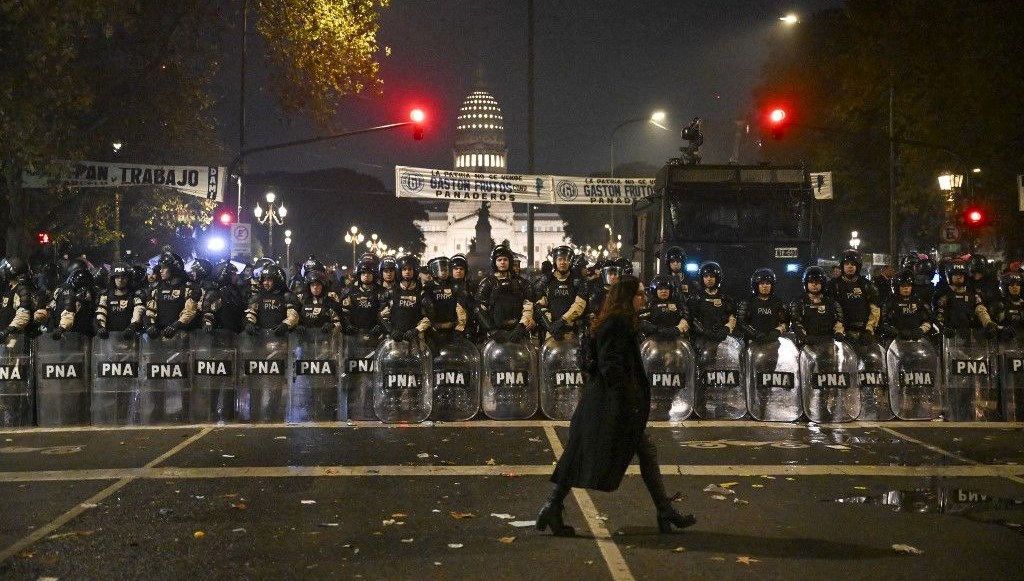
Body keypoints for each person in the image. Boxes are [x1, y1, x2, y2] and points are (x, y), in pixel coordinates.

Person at [538, 275, 696, 536]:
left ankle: (664, 509)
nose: (644, 299)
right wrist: (626, 400)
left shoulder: (622, 322)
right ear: (627, 297)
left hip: (609, 401)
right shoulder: (616, 323)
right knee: (581, 453)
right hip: (609, 403)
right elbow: (610, 365)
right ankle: (552, 506)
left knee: (640, 450)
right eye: (640, 294)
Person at [828, 249, 880, 345]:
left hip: (864, 333)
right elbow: (832, 309)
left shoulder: (867, 285)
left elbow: (875, 309)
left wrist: (869, 330)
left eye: (853, 264)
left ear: (858, 266)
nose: (850, 266)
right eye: (847, 264)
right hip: (841, 334)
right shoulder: (833, 285)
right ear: (842, 266)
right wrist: (838, 330)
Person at [736, 268, 788, 343]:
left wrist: (777, 331)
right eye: (761, 283)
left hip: (773, 342)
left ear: (772, 285)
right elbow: (741, 323)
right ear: (756, 285)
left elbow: (785, 322)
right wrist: (754, 333)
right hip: (752, 341)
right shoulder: (748, 301)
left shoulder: (778, 302)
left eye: (767, 283)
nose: (765, 286)